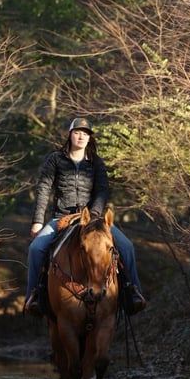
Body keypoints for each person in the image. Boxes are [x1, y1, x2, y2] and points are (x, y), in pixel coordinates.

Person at [24, 117, 146, 317]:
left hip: (93, 219)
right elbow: (44, 189)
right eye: (77, 132)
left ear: (89, 138)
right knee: (36, 249)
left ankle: (132, 292)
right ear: (70, 134)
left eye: (85, 134)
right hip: (62, 217)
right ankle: (34, 296)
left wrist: (94, 216)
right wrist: (38, 222)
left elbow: (102, 190)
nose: (81, 137)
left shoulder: (97, 162)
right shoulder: (55, 159)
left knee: (127, 246)